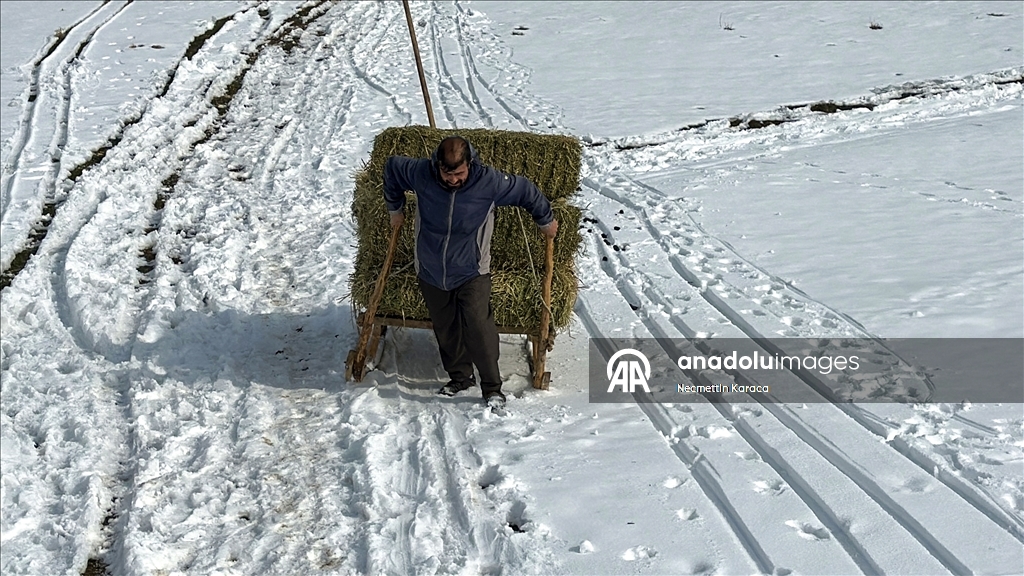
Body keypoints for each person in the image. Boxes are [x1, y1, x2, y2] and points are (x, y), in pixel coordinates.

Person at [383, 136, 558, 411]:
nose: (453, 180)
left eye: (460, 174)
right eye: (447, 174)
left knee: (478, 324)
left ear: (470, 164)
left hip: (472, 269)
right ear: (437, 165)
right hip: (429, 268)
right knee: (446, 326)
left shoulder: (488, 182)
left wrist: (545, 219)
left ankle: (491, 387)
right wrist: (395, 208)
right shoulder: (421, 173)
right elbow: (392, 167)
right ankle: (460, 378)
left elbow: (525, 189)